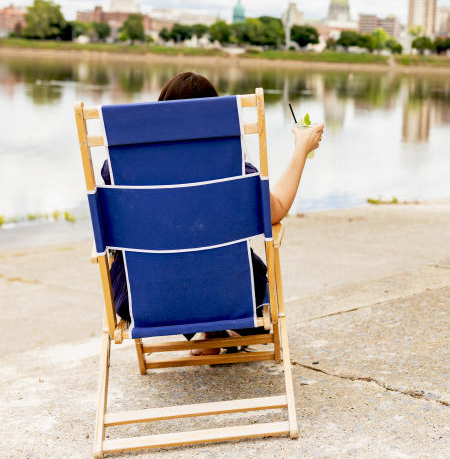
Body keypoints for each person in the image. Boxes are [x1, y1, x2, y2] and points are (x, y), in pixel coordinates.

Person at [100, 71, 323, 355]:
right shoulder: (232, 168)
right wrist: (301, 150)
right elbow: (275, 211)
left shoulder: (119, 170)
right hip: (230, 291)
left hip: (142, 297)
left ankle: (212, 333)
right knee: (213, 245)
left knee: (170, 241)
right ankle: (219, 327)